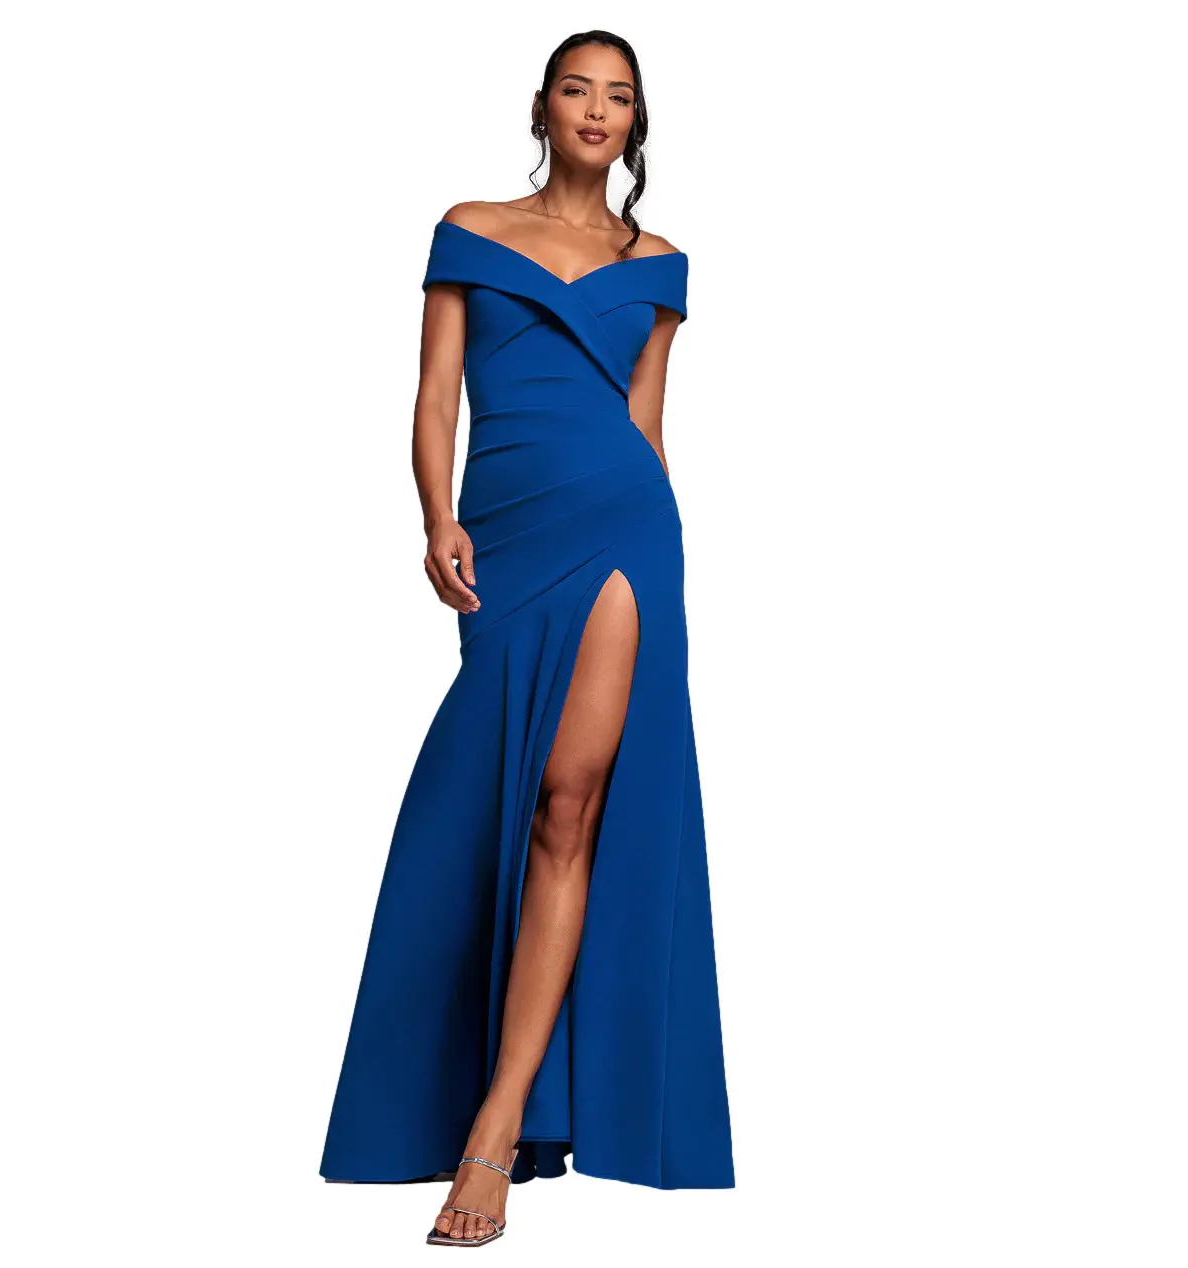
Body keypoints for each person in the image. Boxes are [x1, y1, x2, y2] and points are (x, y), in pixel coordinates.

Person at [319, 30, 735, 1247]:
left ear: (635, 123)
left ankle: (495, 1127)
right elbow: (433, 392)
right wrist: (434, 514)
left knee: (568, 802)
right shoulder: (468, 229)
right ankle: (462, 1084)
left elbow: (645, 426)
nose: (596, 109)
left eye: (619, 96)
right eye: (576, 89)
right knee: (485, 795)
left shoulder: (656, 265)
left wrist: (661, 564)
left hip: (621, 530)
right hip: (505, 530)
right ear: (542, 106)